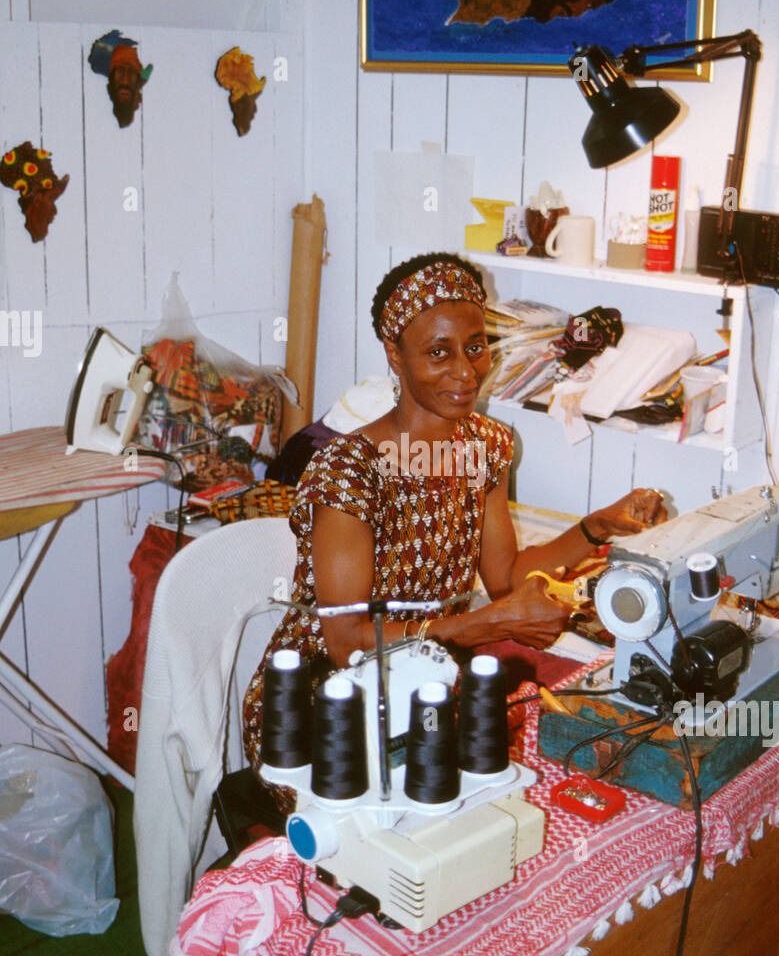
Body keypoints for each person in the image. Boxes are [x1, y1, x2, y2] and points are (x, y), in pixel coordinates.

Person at [243, 252, 666, 778]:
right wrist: (486, 624)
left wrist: (594, 528)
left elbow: (508, 576)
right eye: (438, 353)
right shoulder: (349, 470)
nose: (466, 373)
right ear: (395, 356)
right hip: (320, 708)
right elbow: (347, 640)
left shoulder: (485, 446)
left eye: (476, 347)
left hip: (423, 684)